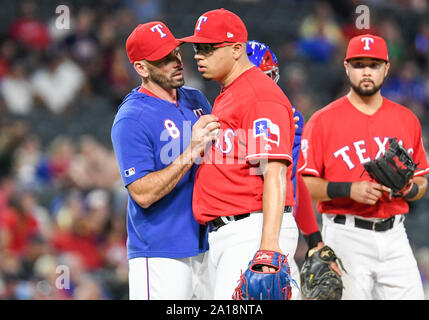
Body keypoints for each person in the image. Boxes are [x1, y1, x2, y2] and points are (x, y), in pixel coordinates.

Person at [179, 9, 298, 299]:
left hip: (252, 230)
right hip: (233, 231)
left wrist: (268, 247)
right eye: (197, 48)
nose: (198, 55)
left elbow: (275, 173)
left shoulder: (260, 95)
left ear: (236, 50)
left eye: (207, 48)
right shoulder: (231, 91)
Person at [301, 34, 429, 300]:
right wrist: (349, 189)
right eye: (359, 65)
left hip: (395, 235)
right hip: (346, 235)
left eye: (374, 64)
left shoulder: (407, 120)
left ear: (387, 68)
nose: (367, 71)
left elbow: (421, 184)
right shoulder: (323, 121)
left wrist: (407, 187)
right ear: (347, 67)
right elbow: (303, 186)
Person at [110, 21, 220, 300]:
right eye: (163, 58)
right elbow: (143, 193)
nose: (176, 62)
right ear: (142, 68)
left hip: (207, 246)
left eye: (176, 52)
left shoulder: (195, 99)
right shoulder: (131, 118)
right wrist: (192, 149)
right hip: (160, 252)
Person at [247, 40, 342, 299]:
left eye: (267, 77)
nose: (262, 85)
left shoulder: (288, 116)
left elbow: (293, 180)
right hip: (230, 227)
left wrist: (314, 239)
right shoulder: (217, 115)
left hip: (273, 224)